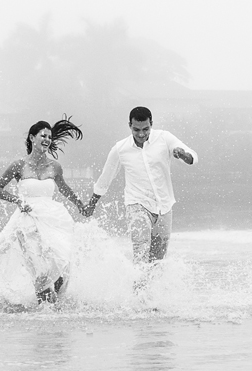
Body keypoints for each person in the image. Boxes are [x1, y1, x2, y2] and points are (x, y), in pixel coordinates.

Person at [0, 116, 87, 303]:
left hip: (52, 219)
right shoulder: (19, 164)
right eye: (43, 135)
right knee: (39, 269)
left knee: (61, 266)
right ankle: (42, 314)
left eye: (49, 136)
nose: (47, 139)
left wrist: (80, 204)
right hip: (27, 220)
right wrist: (17, 200)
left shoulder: (54, 166)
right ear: (32, 138)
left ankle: (55, 314)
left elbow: (64, 189)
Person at [84, 106, 197, 266]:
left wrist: (185, 155)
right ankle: (137, 291)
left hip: (164, 207)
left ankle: (150, 291)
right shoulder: (120, 149)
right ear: (129, 125)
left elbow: (192, 156)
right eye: (136, 129)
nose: (141, 134)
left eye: (146, 129)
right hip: (137, 206)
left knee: (157, 262)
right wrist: (92, 204)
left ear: (151, 123)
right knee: (141, 254)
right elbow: (105, 178)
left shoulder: (164, 138)